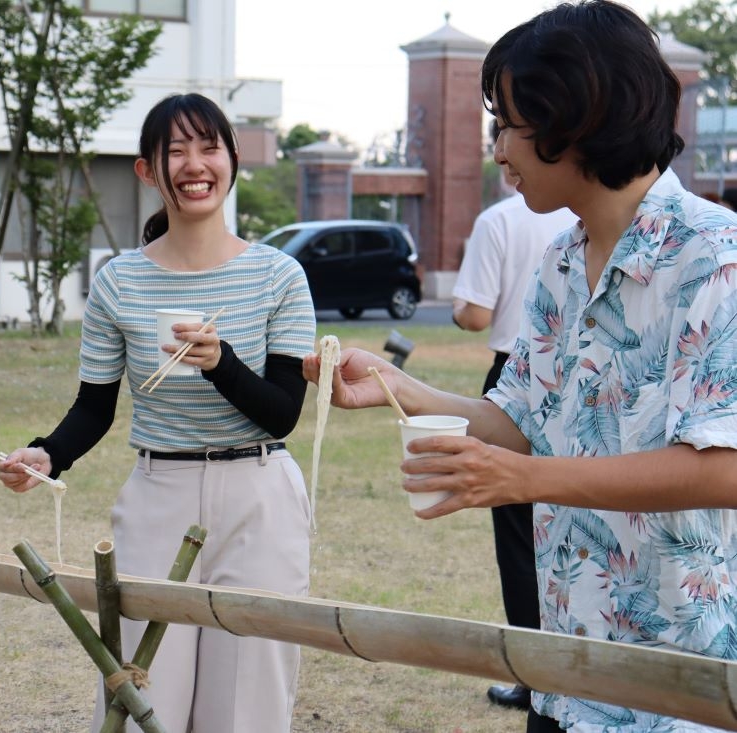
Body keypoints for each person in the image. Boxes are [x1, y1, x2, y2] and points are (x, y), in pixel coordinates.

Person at [304, 2, 737, 731]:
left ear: (575, 119)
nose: (496, 146)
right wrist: (396, 386)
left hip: (683, 685)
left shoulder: (715, 259)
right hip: (565, 673)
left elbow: (723, 467)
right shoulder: (561, 260)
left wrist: (525, 479)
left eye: (507, 122)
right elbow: (520, 418)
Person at [0, 92, 317, 733]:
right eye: (176, 151)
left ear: (231, 159)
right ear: (148, 170)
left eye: (208, 147)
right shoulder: (120, 280)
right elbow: (94, 405)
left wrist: (219, 362)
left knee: (248, 699)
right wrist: (47, 453)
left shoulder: (279, 276)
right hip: (157, 491)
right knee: (143, 689)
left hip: (259, 493)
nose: (194, 164)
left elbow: (281, 415)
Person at [451, 139, 577, 712]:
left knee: (522, 541)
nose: (500, 152)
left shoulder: (499, 221)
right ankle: (549, 675)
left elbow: (473, 314)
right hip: (524, 381)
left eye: (509, 128)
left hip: (516, 371)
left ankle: (535, 672)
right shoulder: (568, 240)